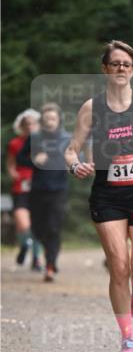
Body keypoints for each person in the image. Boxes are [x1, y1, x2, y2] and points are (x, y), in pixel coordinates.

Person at [65, 40, 133, 352]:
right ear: (105, 69)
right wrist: (75, 165)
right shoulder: (92, 108)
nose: (121, 69)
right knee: (118, 266)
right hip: (108, 196)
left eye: (126, 64)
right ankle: (128, 337)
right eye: (115, 63)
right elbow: (71, 149)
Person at [18, 103, 71, 282]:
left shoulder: (66, 138)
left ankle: (50, 264)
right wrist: (34, 160)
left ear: (59, 120)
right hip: (38, 189)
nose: (50, 122)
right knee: (37, 228)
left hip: (59, 190)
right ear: (42, 120)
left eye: (53, 118)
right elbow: (20, 158)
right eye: (47, 118)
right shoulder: (35, 137)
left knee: (53, 227)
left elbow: (77, 158)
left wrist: (72, 164)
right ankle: (48, 255)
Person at [6, 108, 42, 270]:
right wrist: (13, 173)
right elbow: (10, 164)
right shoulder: (14, 144)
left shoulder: (44, 143)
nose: (29, 127)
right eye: (26, 124)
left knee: (37, 225)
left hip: (39, 187)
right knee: (23, 224)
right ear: (21, 126)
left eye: (33, 123)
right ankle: (25, 245)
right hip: (21, 187)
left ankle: (36, 259)